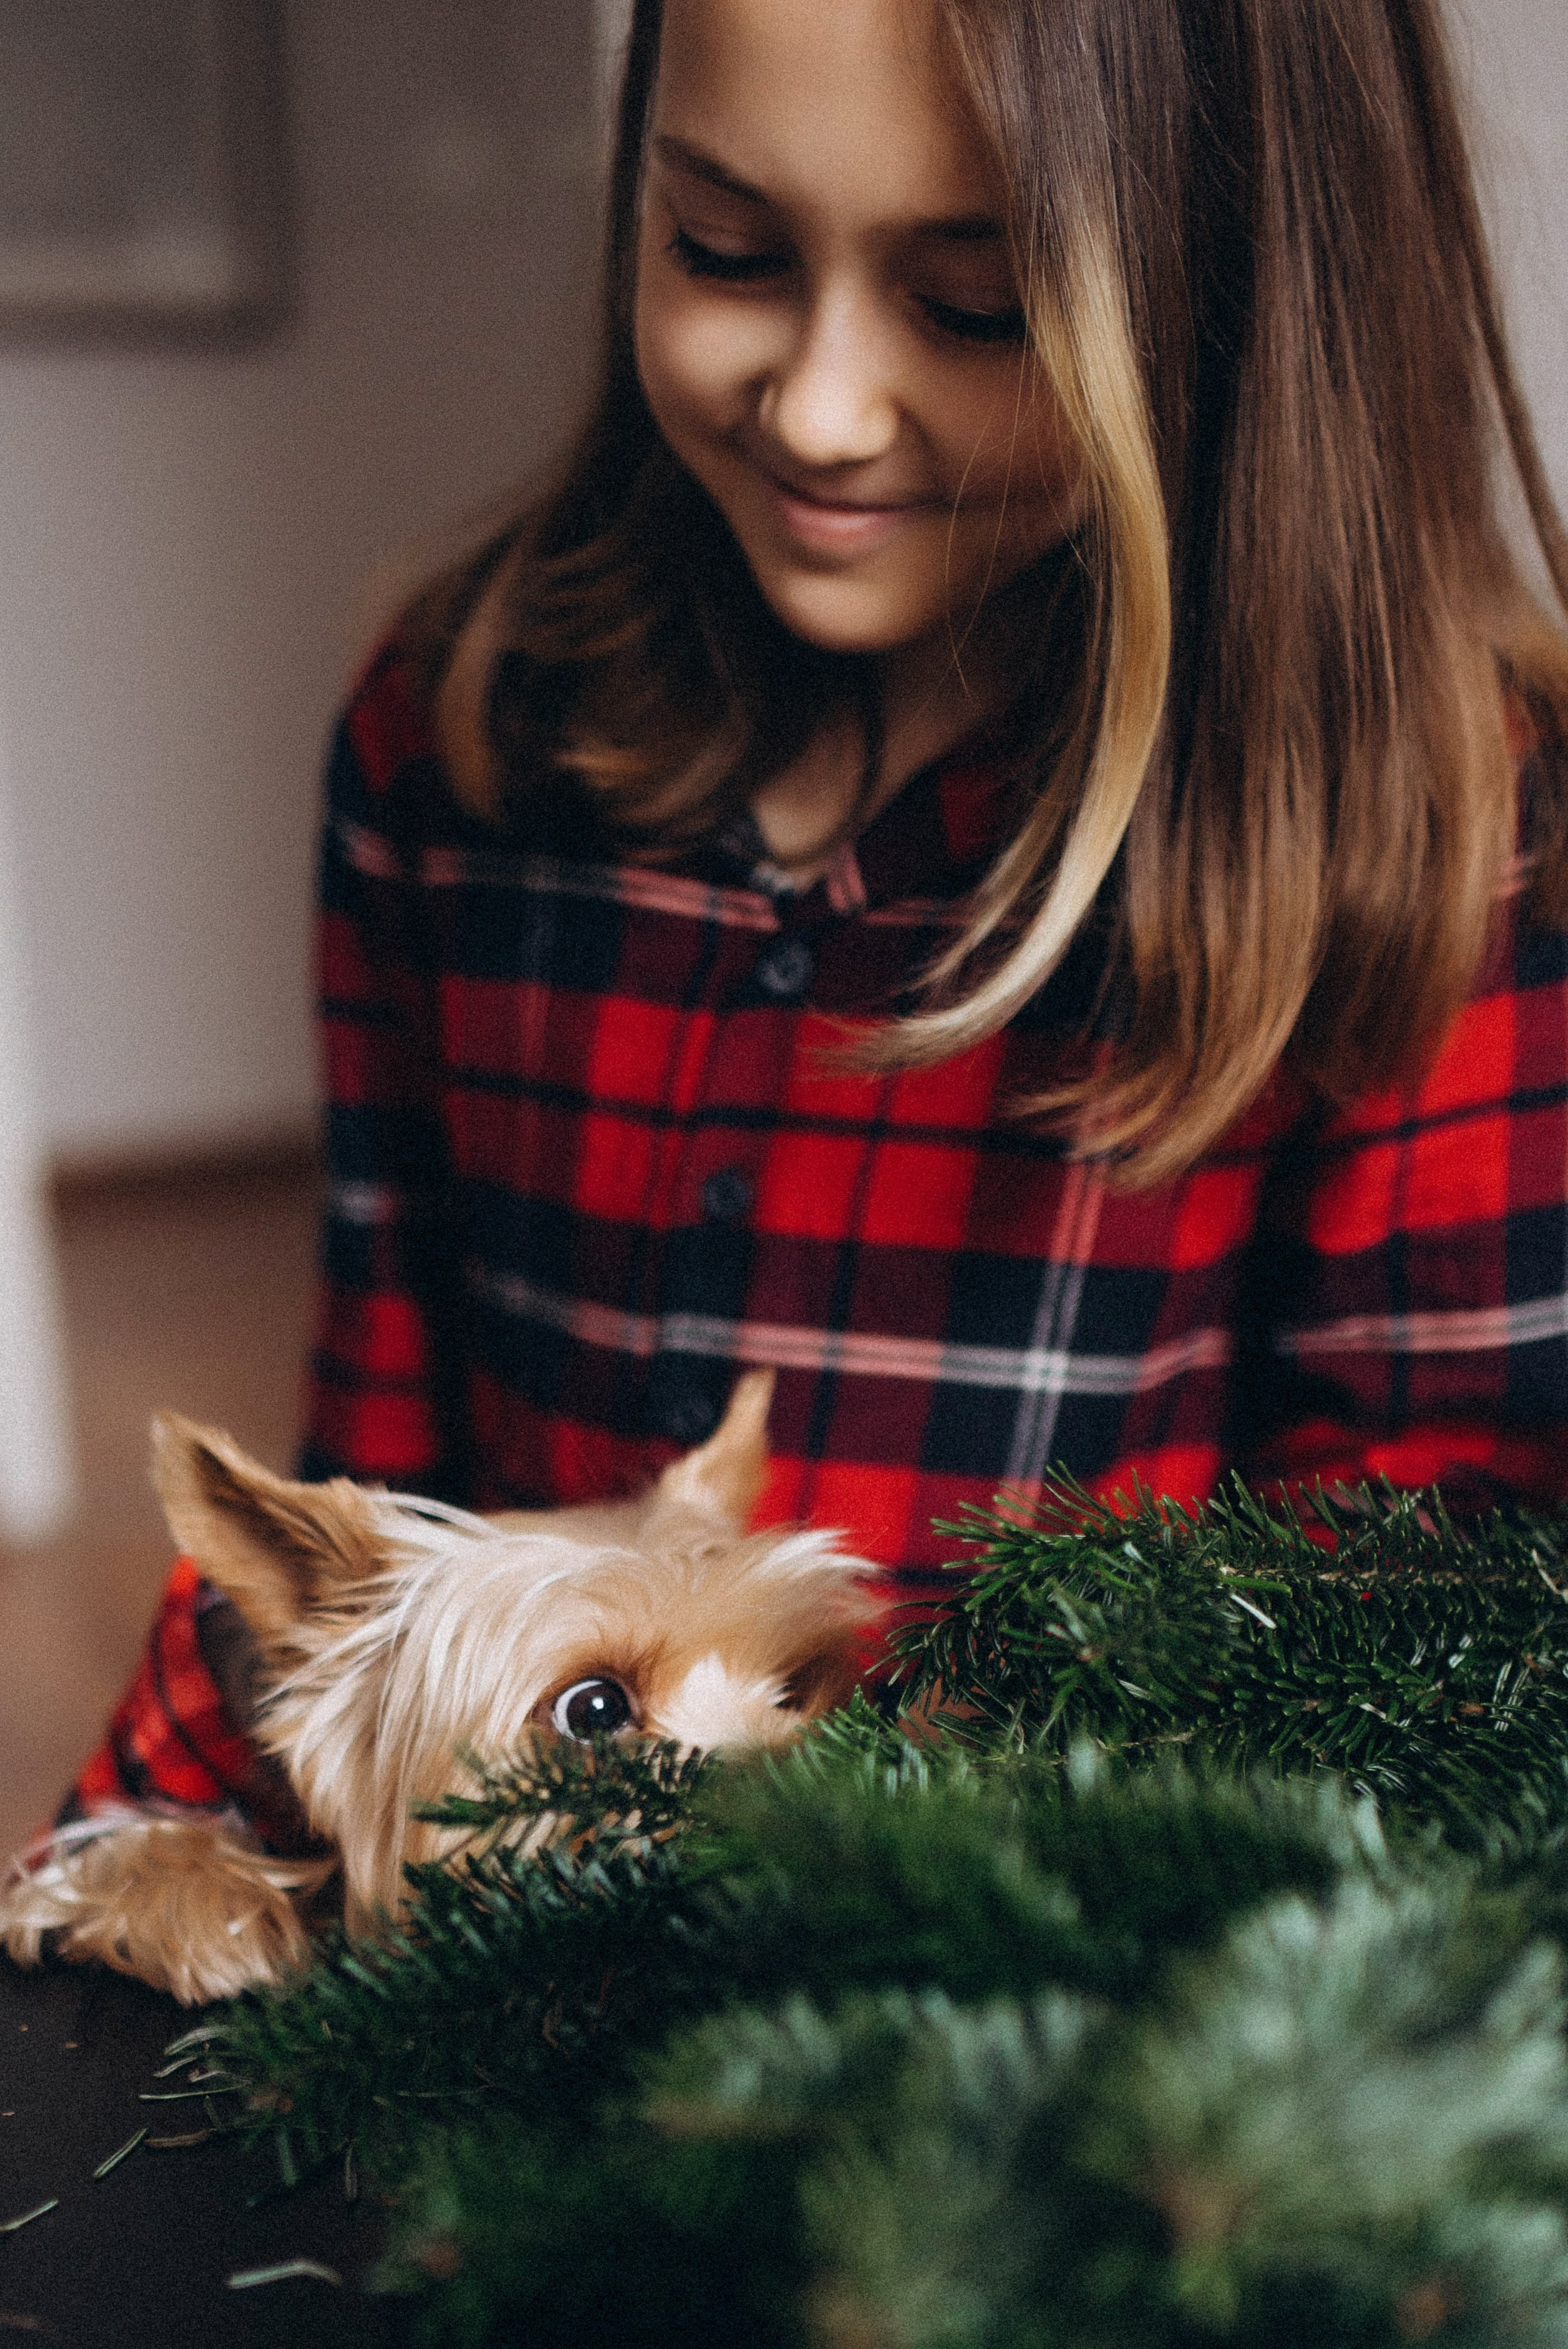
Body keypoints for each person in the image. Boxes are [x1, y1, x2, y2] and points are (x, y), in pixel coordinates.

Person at [59, 0, 1568, 1848]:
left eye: (976, 304)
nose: (823, 409)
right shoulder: (458, 728)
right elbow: (384, 1477)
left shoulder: (1439, 830)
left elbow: (1426, 1639)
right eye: (725, 251)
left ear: (1250, 292)